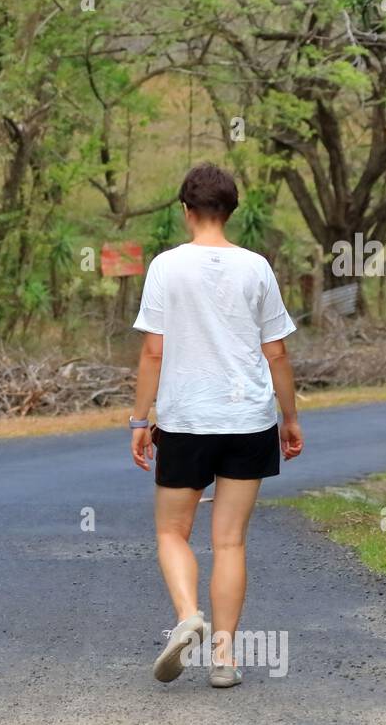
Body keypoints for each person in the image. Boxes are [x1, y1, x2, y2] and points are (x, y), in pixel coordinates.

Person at [128, 163, 303, 688]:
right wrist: (289, 419)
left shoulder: (166, 267)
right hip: (249, 420)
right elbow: (276, 352)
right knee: (229, 542)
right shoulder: (257, 268)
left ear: (185, 210)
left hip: (185, 420)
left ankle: (187, 617)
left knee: (171, 531)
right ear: (230, 211)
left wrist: (140, 419)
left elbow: (153, 350)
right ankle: (224, 660)